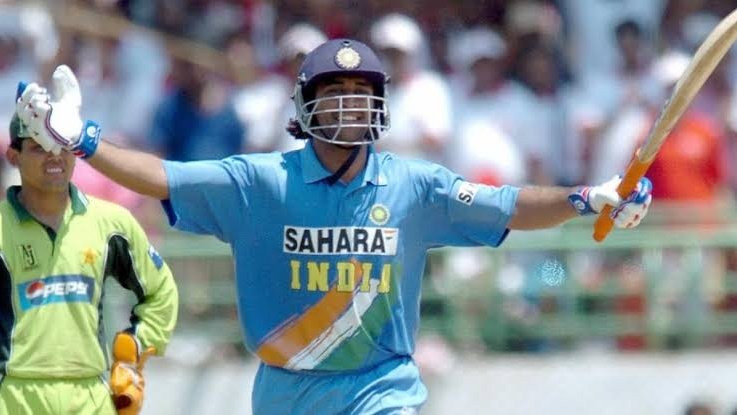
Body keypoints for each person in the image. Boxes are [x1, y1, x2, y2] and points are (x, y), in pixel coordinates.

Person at [16, 39, 652, 414]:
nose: (349, 101)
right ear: (304, 105)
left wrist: (587, 197)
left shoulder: (415, 186)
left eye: (361, 88)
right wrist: (84, 140)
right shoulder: (260, 182)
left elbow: (510, 205)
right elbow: (163, 176)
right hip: (286, 390)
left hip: (382, 389)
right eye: (333, 89)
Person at [1, 89, 178, 413]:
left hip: (90, 397)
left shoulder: (111, 223)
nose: (54, 155)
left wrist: (135, 349)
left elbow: (161, 291)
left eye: (62, 144)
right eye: (39, 146)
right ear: (14, 157)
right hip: (13, 397)